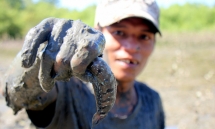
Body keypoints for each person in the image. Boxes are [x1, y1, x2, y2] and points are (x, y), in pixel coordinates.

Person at [3, 0, 165, 129]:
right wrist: (40, 59)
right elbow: (17, 93)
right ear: (97, 32)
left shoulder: (152, 101)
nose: (131, 47)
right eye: (119, 32)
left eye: (144, 36)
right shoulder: (67, 89)